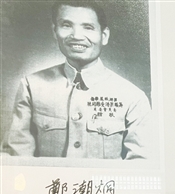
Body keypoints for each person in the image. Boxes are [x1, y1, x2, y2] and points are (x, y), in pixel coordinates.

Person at [2, 0, 151, 159]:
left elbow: (141, 164)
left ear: (104, 36)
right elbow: (16, 158)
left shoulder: (132, 97)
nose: (77, 36)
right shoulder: (32, 86)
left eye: (88, 27)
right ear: (55, 31)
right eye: (66, 25)